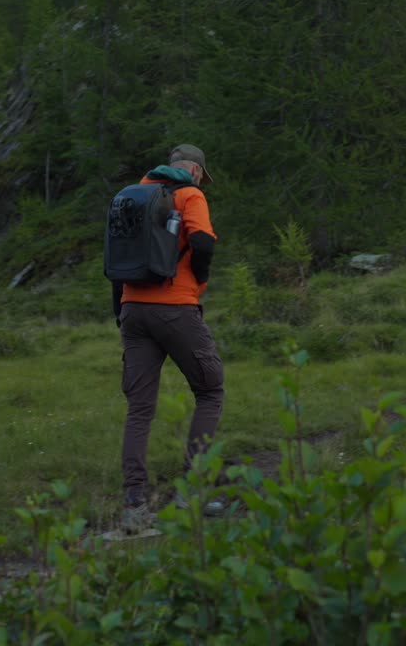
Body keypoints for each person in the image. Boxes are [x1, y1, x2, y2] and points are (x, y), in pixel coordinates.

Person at [112, 143, 224, 532]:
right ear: (195, 171)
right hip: (175, 307)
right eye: (202, 176)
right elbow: (203, 242)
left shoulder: (132, 195)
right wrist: (199, 280)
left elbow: (118, 255)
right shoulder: (191, 195)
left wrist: (122, 311)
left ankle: (134, 504)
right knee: (210, 390)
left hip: (132, 308)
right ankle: (190, 493)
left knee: (139, 408)